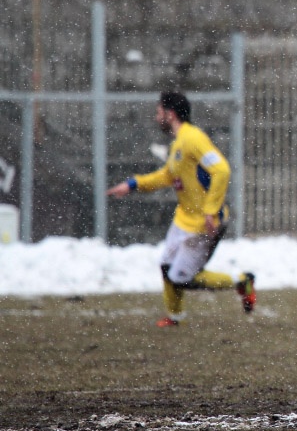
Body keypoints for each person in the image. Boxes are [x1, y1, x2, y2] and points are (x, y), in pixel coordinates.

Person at [107, 91, 255, 327]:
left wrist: (210, 210)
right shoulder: (178, 143)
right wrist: (133, 184)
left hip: (202, 223)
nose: (156, 118)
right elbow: (168, 175)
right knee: (166, 266)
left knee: (182, 278)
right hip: (184, 218)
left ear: (170, 114)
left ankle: (242, 281)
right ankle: (175, 317)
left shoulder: (192, 139)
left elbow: (222, 170)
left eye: (158, 113)